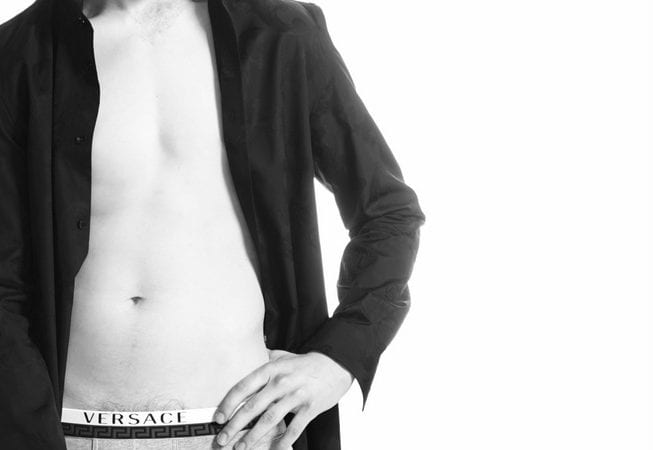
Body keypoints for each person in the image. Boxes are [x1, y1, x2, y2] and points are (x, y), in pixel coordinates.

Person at [0, 0, 425, 448]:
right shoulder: (19, 54)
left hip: (241, 431)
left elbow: (388, 212)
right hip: (65, 432)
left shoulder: (283, 35)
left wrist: (338, 358)